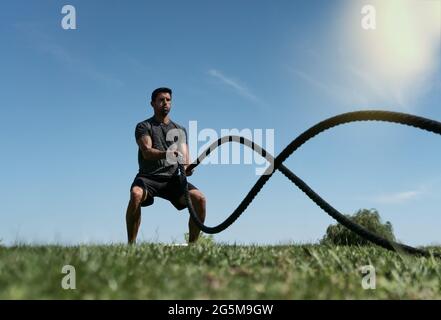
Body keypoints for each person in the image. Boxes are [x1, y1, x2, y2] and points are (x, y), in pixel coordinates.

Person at [126, 87, 206, 244]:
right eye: (161, 100)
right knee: (135, 194)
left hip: (172, 180)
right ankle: (131, 246)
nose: (165, 103)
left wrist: (189, 168)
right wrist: (167, 154)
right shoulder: (143, 126)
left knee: (200, 199)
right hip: (148, 178)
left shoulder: (179, 130)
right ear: (152, 103)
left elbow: (185, 162)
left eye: (168, 100)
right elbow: (147, 152)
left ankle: (193, 246)